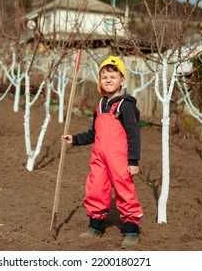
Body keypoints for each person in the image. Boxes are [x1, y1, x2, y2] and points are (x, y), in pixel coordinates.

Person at [61, 56, 144, 247]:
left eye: (113, 76)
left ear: (122, 80)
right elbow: (94, 133)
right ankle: (95, 228)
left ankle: (131, 231)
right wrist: (74, 139)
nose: (108, 80)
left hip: (120, 160)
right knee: (95, 190)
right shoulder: (100, 106)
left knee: (124, 192)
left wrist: (133, 160)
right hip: (99, 159)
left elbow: (134, 134)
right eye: (104, 76)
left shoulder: (126, 105)